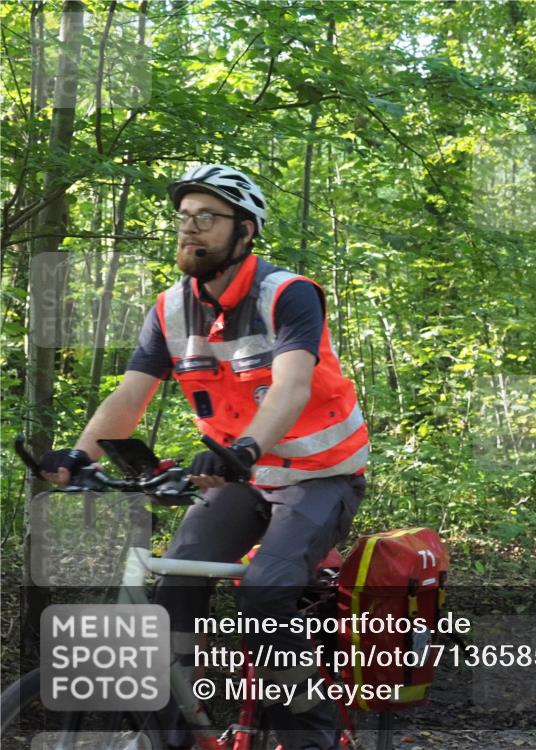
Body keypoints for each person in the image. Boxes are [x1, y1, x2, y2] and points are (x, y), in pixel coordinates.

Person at [39, 164, 369, 750]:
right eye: (185, 218)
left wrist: (243, 449)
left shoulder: (287, 295)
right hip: (242, 480)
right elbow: (129, 395)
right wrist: (78, 455)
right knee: (171, 593)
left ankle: (308, 737)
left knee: (266, 592)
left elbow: (292, 385)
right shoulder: (169, 310)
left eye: (207, 219)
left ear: (245, 232)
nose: (190, 230)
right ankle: (179, 735)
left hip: (322, 476)